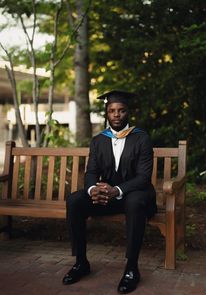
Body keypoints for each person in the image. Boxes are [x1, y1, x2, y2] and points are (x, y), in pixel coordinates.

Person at [63, 90, 157, 294]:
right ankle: (81, 263)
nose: (116, 115)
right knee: (74, 200)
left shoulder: (141, 138)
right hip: (109, 196)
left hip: (136, 195)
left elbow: (143, 178)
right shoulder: (98, 140)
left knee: (133, 202)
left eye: (121, 110)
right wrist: (92, 189)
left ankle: (132, 268)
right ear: (107, 113)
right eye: (112, 111)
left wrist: (117, 190)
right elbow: (91, 172)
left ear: (128, 112)